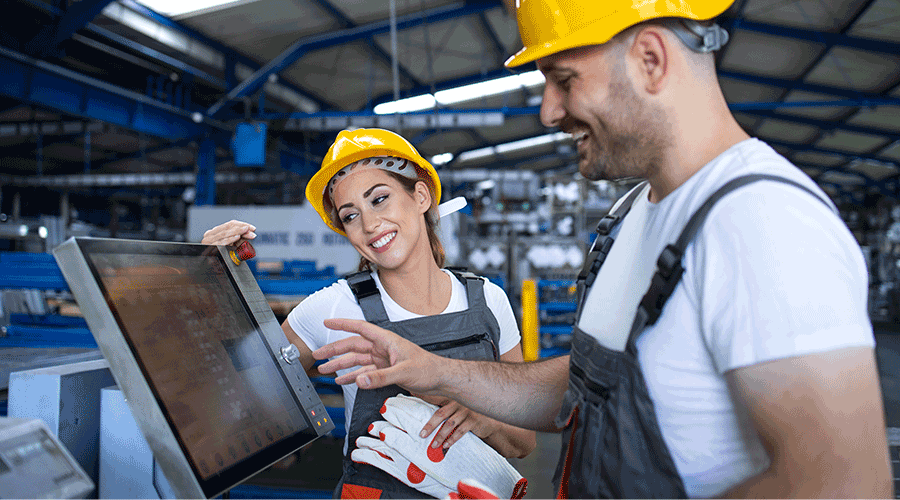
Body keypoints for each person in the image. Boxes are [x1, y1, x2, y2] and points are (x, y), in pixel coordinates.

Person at [310, 0, 893, 497]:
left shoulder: (761, 224)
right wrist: (436, 371)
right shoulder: (637, 212)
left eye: (564, 80)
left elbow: (842, 484)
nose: (548, 110)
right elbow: (592, 384)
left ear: (650, 59)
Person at [201, 128, 535, 499]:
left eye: (379, 199)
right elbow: (241, 398)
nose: (369, 224)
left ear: (420, 196)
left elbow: (522, 442)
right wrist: (213, 280)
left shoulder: (489, 301)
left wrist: (483, 417)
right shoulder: (334, 308)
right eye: (350, 215)